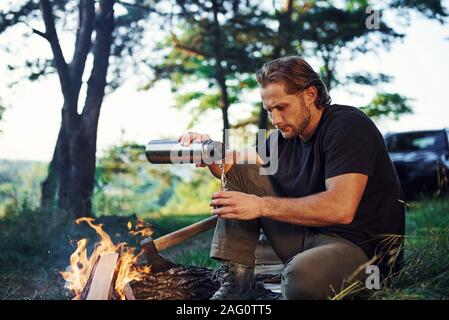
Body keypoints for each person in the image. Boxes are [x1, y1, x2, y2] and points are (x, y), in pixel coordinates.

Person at [178, 56, 405, 300]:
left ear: (310, 94)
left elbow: (341, 208)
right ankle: (238, 284)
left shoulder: (348, 126)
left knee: (301, 278)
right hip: (306, 237)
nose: (275, 120)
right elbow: (230, 162)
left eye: (281, 107)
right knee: (241, 170)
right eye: (269, 110)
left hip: (360, 249)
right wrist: (207, 148)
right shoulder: (282, 138)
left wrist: (261, 205)